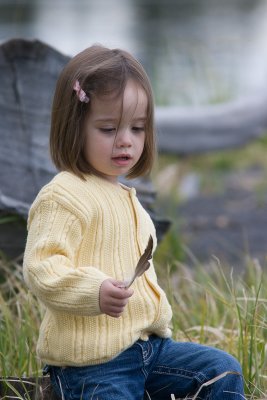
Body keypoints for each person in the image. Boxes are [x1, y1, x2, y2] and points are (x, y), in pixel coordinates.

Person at [23, 44, 245, 400]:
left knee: (221, 371)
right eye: (109, 128)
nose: (126, 140)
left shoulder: (129, 199)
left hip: (148, 351)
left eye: (138, 128)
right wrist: (94, 291)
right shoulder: (63, 195)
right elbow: (41, 268)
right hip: (90, 363)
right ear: (73, 125)